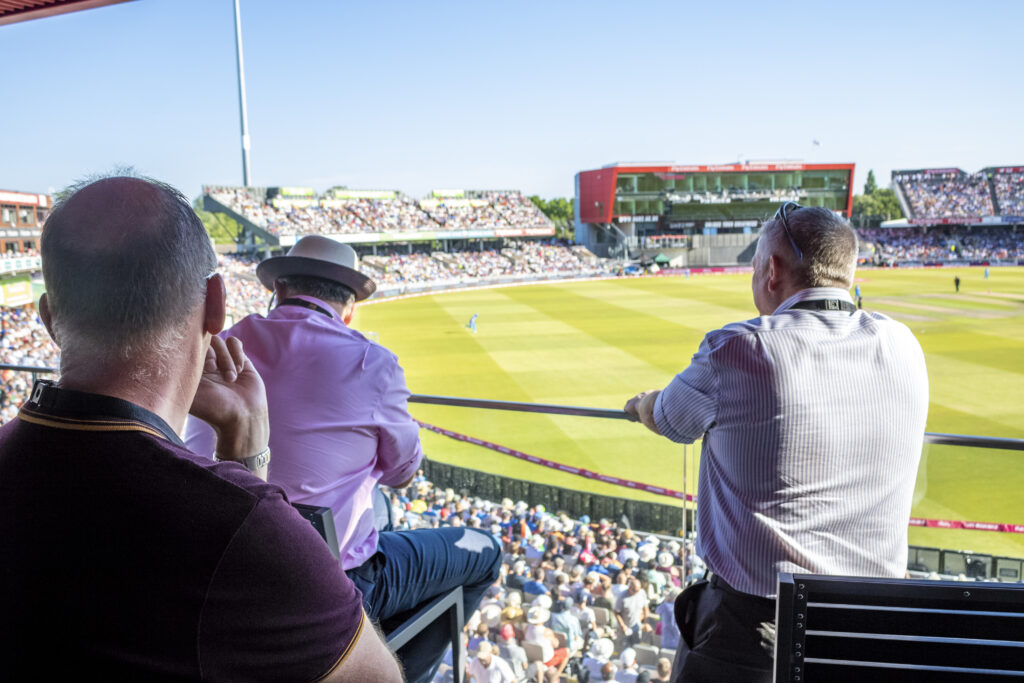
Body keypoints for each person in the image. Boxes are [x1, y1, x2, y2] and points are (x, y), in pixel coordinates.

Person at [0, 176, 400, 680]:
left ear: (49, 319)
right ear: (216, 303)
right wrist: (249, 462)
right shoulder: (244, 527)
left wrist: (244, 455)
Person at [625, 203, 929, 682]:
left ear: (771, 271)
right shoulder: (904, 344)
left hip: (753, 633)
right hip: (872, 626)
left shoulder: (738, 347)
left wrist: (642, 402)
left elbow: (669, 419)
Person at [185, 235, 501, 682]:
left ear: (278, 289)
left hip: (218, 567)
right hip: (328, 582)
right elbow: (404, 473)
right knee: (486, 552)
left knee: (380, 509)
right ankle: (388, 666)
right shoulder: (374, 363)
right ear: (350, 308)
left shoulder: (222, 343)